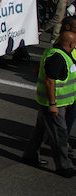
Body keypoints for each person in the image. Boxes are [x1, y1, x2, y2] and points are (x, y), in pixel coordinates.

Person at [21, 29, 76, 175]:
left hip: (54, 103)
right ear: (70, 43)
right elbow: (50, 82)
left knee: (40, 131)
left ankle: (30, 156)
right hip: (53, 104)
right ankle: (64, 166)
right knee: (60, 134)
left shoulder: (60, 53)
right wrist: (53, 104)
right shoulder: (58, 58)